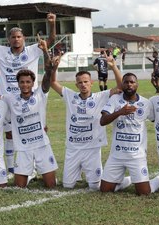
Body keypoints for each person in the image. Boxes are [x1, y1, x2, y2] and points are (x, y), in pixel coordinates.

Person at [0, 13, 56, 178]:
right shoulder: (2, 51)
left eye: (19, 36)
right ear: (9, 39)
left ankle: (36, 168)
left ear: (23, 38)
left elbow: (51, 41)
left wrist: (52, 24)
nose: (16, 39)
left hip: (31, 99)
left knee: (37, 131)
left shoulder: (33, 50)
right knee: (10, 133)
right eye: (13, 37)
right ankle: (12, 169)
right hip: (9, 100)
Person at [50, 54, 124, 190]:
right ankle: (76, 173)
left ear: (91, 83)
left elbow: (121, 86)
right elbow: (53, 83)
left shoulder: (101, 97)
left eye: (86, 82)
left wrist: (114, 67)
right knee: (67, 186)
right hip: (73, 148)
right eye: (80, 82)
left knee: (95, 187)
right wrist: (54, 68)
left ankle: (122, 182)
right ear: (76, 84)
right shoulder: (70, 95)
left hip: (92, 148)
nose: (83, 85)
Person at [2, 38, 59, 188]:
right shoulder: (10, 98)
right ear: (18, 84)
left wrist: (48, 61)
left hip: (41, 145)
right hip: (23, 147)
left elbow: (47, 77)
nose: (25, 85)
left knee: (51, 185)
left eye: (28, 82)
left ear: (33, 83)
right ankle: (29, 174)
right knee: (19, 187)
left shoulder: (40, 94)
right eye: (22, 82)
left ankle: (43, 172)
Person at [99, 72, 159, 195]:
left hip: (136, 156)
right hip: (117, 155)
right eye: (126, 82)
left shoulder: (145, 103)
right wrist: (119, 112)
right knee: (105, 190)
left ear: (137, 84)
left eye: (132, 82)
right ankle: (127, 180)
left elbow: (157, 120)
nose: (129, 84)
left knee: (144, 193)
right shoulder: (114, 99)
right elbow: (102, 121)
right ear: (122, 84)